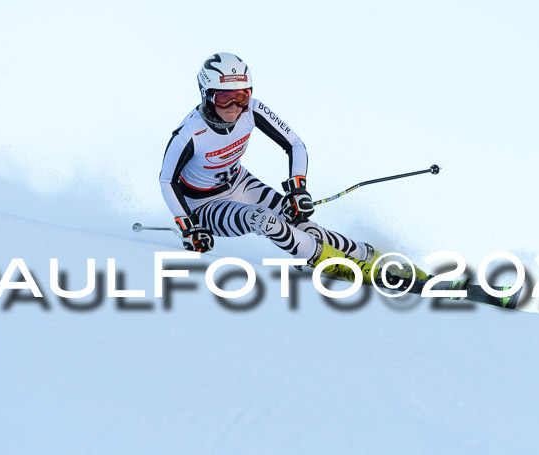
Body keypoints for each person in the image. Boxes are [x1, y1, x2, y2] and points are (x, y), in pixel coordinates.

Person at [159, 52, 428, 284]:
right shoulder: (190, 133)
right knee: (263, 220)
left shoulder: (252, 110)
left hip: (241, 184)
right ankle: (335, 265)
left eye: (241, 96)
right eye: (224, 98)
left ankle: (377, 260)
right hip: (204, 206)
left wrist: (298, 188)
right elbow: (166, 181)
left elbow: (295, 144)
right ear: (206, 95)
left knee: (304, 225)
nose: (234, 107)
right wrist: (189, 226)